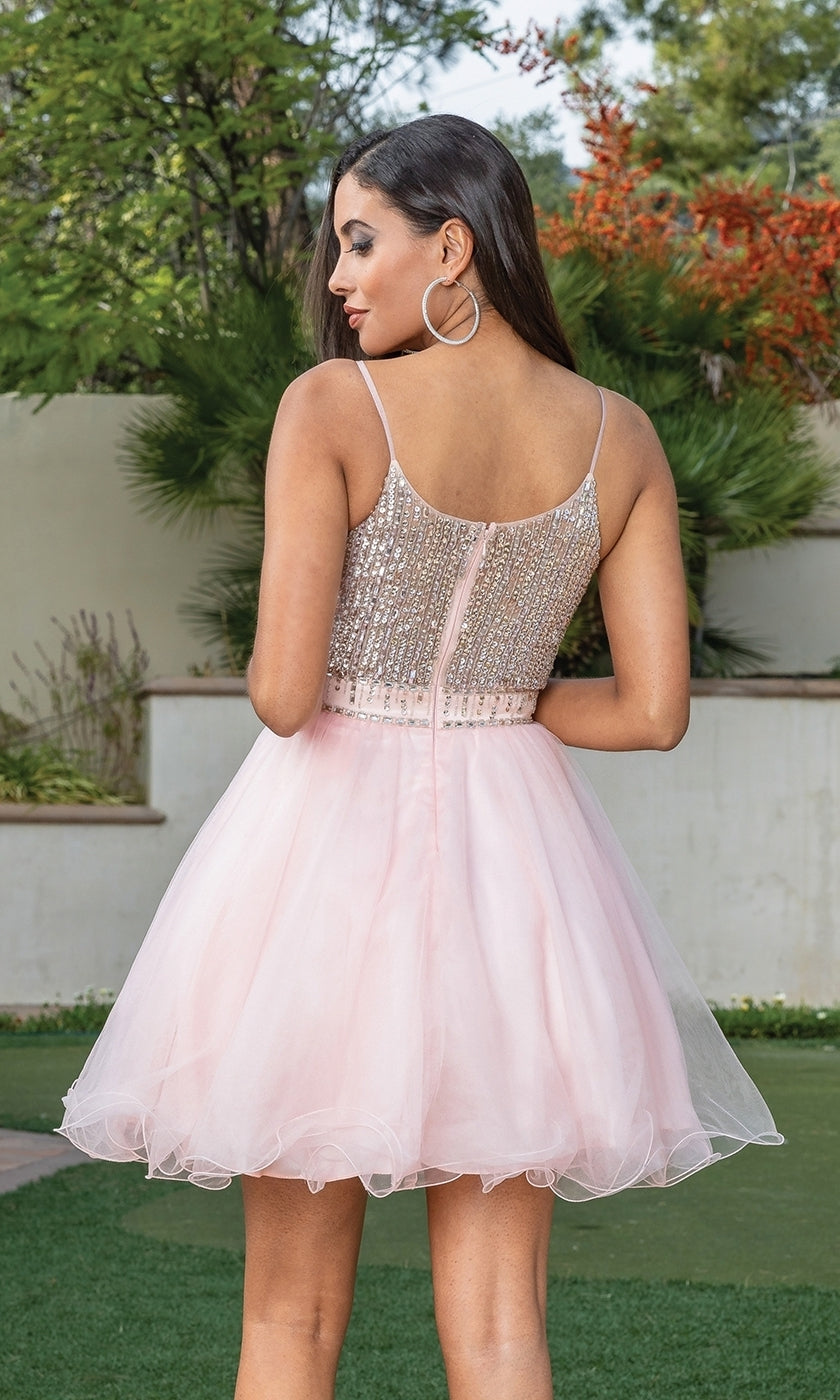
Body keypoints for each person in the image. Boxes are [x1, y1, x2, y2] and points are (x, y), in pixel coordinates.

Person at [59, 115, 782, 1400]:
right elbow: (656, 708)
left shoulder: (332, 403)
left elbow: (285, 695)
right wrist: (509, 701)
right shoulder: (618, 437)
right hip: (521, 863)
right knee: (503, 1328)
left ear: (452, 245)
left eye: (358, 241)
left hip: (324, 856)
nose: (338, 279)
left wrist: (400, 685)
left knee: (289, 1318)